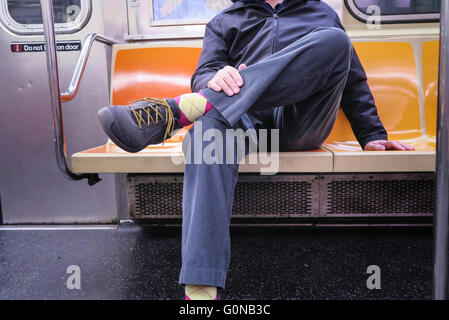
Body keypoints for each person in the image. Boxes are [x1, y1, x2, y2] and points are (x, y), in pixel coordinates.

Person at [97, 0, 415, 300]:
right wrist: (215, 77)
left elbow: (353, 80)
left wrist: (372, 133)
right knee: (206, 134)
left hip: (301, 123)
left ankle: (180, 111)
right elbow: (203, 74)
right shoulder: (224, 22)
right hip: (246, 124)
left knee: (334, 43)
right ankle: (201, 289)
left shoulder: (321, 13)